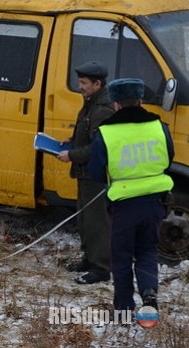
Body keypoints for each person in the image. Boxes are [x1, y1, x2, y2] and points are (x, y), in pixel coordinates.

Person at [88, 78, 174, 312]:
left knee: (122, 256)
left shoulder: (106, 133)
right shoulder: (159, 126)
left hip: (124, 205)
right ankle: (149, 293)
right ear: (140, 100)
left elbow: (96, 171)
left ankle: (124, 308)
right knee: (147, 250)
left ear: (115, 103)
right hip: (156, 201)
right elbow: (170, 158)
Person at [57, 61, 114, 285]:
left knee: (96, 223)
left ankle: (100, 268)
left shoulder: (102, 110)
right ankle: (89, 259)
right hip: (84, 173)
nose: (80, 86)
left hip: (94, 175)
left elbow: (98, 148)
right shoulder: (91, 102)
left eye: (83, 83)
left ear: (97, 83)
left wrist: (71, 155)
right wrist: (71, 142)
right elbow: (87, 135)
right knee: (84, 220)